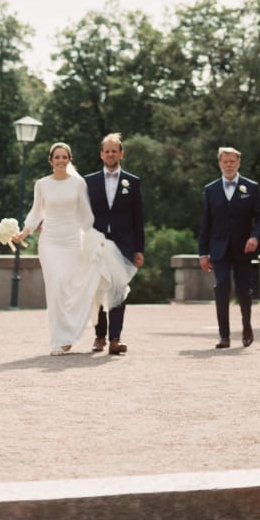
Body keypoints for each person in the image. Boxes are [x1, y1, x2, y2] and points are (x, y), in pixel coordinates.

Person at [11, 141, 134, 355]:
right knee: (56, 286)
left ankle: (69, 335)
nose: (60, 161)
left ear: (69, 160)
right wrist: (23, 233)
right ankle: (59, 338)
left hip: (72, 242)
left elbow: (86, 217)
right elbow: (36, 213)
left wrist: (99, 237)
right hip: (49, 242)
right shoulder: (41, 184)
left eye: (64, 157)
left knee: (69, 287)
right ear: (50, 161)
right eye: (56, 157)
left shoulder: (78, 184)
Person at [198, 146, 260, 349]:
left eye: (232, 161)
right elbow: (205, 223)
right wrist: (203, 253)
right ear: (219, 163)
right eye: (225, 161)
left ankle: (246, 327)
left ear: (239, 163)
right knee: (222, 287)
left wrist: (255, 237)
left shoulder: (251, 187)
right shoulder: (210, 190)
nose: (229, 165)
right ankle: (224, 336)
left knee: (244, 290)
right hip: (218, 248)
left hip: (244, 249)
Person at [84, 133, 145, 356]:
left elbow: (138, 218)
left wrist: (140, 249)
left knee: (118, 288)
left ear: (121, 153)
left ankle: (115, 338)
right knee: (98, 288)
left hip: (123, 244)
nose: (110, 154)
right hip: (96, 242)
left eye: (114, 150)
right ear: (101, 154)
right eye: (107, 151)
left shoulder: (133, 182)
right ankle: (100, 336)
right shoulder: (88, 181)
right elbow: (81, 213)